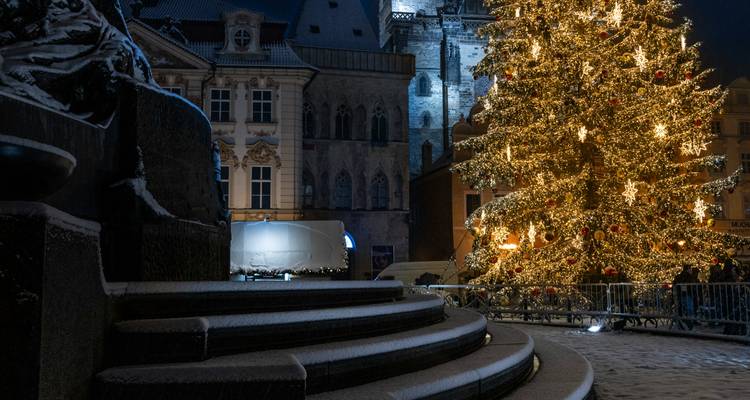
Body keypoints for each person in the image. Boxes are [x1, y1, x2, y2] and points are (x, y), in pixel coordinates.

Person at [672, 264, 695, 330]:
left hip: (681, 295)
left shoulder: (679, 276)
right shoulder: (688, 276)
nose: (691, 270)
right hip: (687, 294)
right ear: (688, 269)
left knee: (683, 309)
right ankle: (688, 322)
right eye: (690, 269)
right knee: (689, 309)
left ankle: (684, 322)